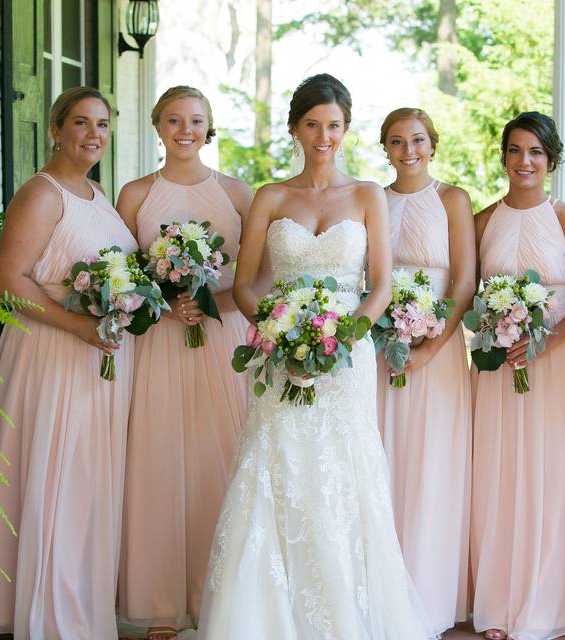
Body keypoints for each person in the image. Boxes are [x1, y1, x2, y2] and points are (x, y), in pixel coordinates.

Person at [196, 73, 432, 639]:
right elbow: (247, 285)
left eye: (334, 125)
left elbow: (378, 287)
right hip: (279, 358)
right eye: (312, 125)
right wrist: (279, 335)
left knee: (342, 479)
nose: (323, 136)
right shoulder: (271, 196)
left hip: (346, 359)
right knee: (277, 472)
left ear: (346, 129)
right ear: (295, 129)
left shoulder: (369, 194)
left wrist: (339, 341)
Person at [0, 86, 136, 640]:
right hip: (53, 352)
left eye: (102, 124)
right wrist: (79, 325)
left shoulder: (99, 196)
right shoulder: (42, 193)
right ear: (55, 130)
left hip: (99, 358)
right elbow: (6, 281)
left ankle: (78, 602)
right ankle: (51, 614)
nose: (93, 134)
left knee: (87, 482)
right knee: (58, 475)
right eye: (80, 123)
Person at [115, 86, 252, 640]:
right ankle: (161, 602)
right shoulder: (135, 194)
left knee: (222, 458)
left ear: (210, 126)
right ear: (157, 127)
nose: (185, 129)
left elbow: (255, 271)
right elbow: (119, 269)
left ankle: (222, 596)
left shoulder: (238, 192)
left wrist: (211, 298)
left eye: (196, 120)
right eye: (173, 119)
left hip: (224, 340)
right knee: (159, 459)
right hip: (161, 341)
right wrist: (164, 301)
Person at [471, 112, 565, 640]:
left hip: (554, 365)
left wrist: (542, 342)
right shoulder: (482, 221)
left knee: (550, 475)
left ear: (551, 161)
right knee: (497, 475)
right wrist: (496, 331)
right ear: (503, 155)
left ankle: (545, 601)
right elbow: (467, 295)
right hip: (498, 368)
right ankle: (499, 601)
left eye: (536, 153)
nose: (525, 162)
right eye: (515, 150)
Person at [376, 107, 475, 637]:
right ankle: (384, 593)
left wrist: (430, 346)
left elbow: (464, 281)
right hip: (379, 348)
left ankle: (431, 596)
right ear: (384, 148)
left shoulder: (452, 200)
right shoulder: (372, 198)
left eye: (416, 140)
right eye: (396, 141)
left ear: (432, 145)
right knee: (383, 458)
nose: (407, 150)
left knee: (432, 460)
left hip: (438, 352)